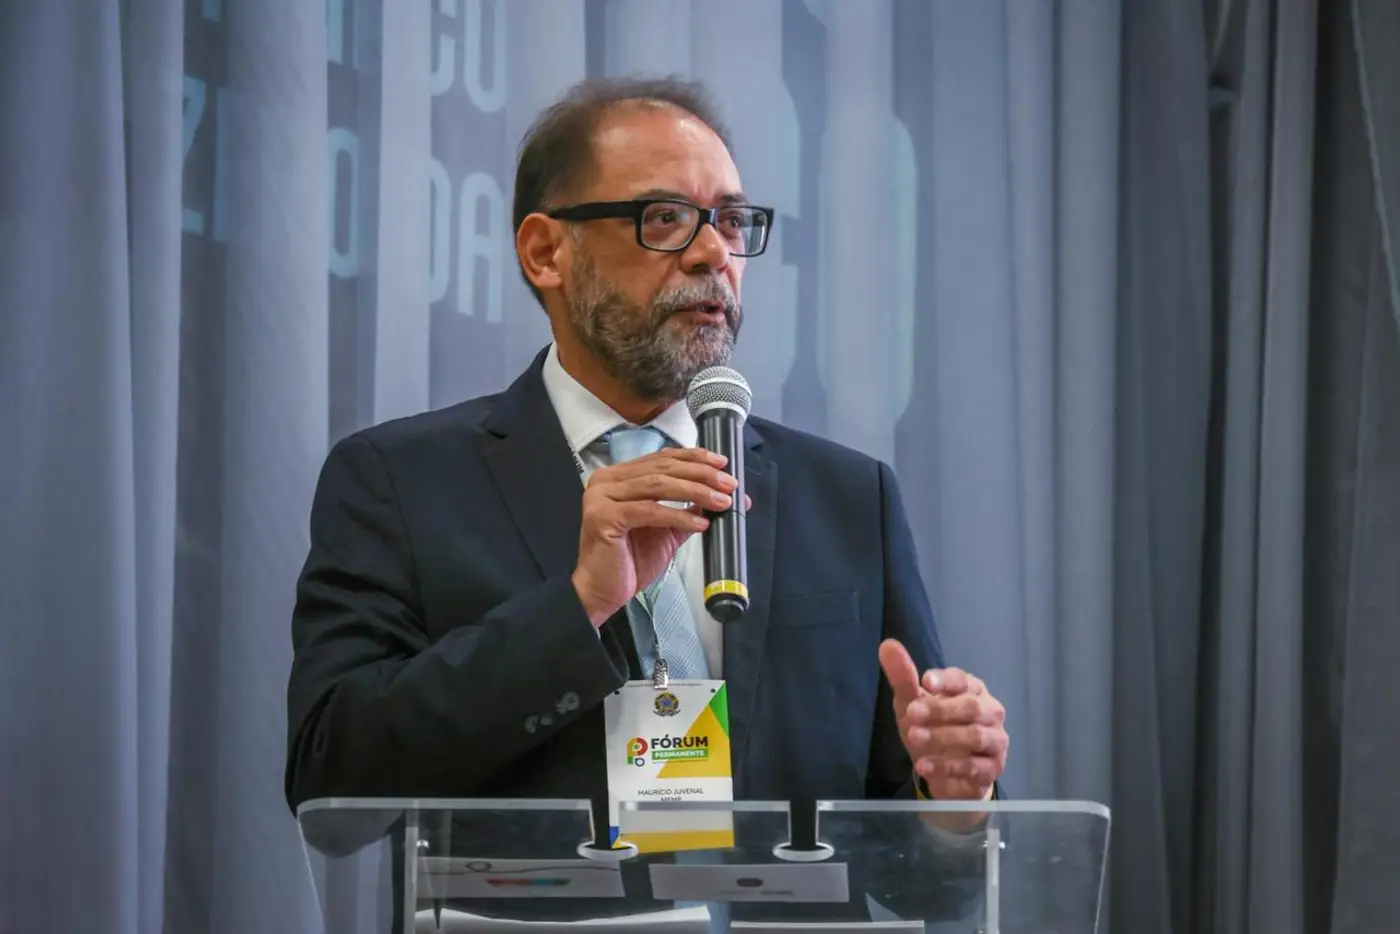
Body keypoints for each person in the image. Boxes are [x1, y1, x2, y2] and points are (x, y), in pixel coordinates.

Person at [285, 75, 1010, 921]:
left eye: (731, 221)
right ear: (545, 253)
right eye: (665, 218)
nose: (712, 255)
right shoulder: (402, 482)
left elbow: (925, 879)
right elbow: (333, 781)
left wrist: (953, 803)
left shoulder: (848, 498)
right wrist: (576, 608)